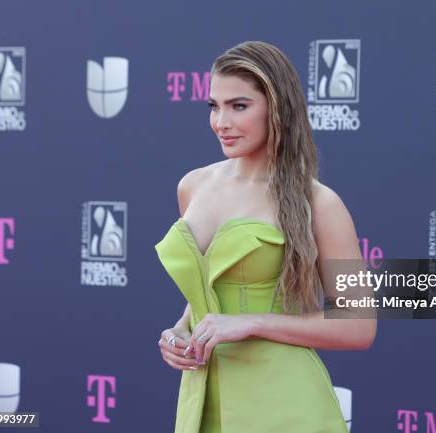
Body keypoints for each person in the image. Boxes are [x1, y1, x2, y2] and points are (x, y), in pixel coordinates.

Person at [156, 41, 376, 433]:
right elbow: (211, 289)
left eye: (239, 106)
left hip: (284, 404)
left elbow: (359, 327)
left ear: (277, 108)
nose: (220, 121)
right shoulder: (192, 185)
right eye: (214, 106)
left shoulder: (320, 204)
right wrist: (180, 330)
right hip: (201, 398)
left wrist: (253, 323)